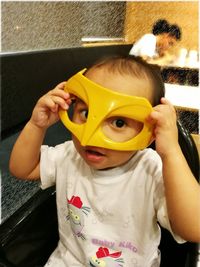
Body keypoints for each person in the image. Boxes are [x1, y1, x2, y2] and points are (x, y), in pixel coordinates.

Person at [9, 55, 200, 267]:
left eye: (119, 122)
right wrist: (37, 126)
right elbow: (22, 169)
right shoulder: (70, 154)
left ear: (150, 132)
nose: (92, 135)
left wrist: (171, 152)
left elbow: (195, 228)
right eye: (86, 112)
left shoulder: (150, 168)